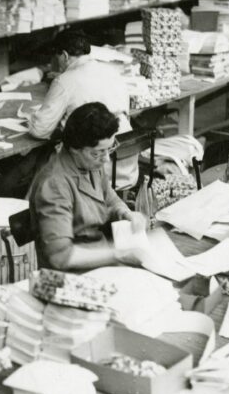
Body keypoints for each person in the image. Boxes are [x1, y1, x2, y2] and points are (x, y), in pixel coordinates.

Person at [29, 102, 146, 271]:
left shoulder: (90, 164)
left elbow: (110, 200)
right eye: (98, 152)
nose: (106, 159)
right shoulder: (55, 185)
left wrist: (126, 214)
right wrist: (116, 254)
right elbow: (60, 257)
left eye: (110, 148)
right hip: (73, 276)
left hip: (102, 261)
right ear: (75, 149)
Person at [28, 30, 137, 189]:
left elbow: (40, 131)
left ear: (64, 55)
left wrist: (32, 117)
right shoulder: (113, 72)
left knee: (43, 160)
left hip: (96, 169)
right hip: (126, 165)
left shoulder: (65, 80)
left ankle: (37, 204)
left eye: (57, 58)